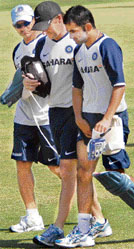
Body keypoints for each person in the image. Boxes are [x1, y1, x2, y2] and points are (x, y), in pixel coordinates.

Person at [54, 5, 134, 248]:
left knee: (117, 178)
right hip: (87, 121)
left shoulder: (108, 46)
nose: (71, 36)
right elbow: (77, 88)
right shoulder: (78, 51)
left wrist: (106, 118)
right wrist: (79, 118)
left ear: (87, 27)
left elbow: (119, 85)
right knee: (84, 173)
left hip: (113, 120)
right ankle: (84, 230)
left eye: (73, 31)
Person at [22, 1, 112, 247]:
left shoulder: (77, 41)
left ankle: (58, 227)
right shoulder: (41, 45)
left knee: (69, 170)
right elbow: (42, 83)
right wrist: (31, 85)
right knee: (77, 171)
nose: (44, 31)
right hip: (55, 113)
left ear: (59, 19)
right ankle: (100, 220)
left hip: (79, 112)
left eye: (47, 25)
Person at [9, 4, 60, 233]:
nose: (22, 28)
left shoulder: (46, 45)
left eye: (26, 23)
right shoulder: (17, 51)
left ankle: (91, 210)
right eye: (17, 25)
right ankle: (32, 216)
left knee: (58, 168)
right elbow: (19, 82)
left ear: (34, 21)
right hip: (24, 116)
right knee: (22, 164)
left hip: (47, 116)